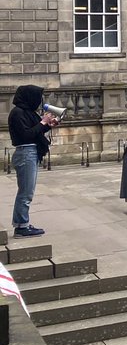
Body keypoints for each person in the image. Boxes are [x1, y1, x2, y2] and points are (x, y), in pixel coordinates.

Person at [8, 85, 57, 238]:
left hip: (29, 151)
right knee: (26, 192)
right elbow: (26, 135)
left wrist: (47, 126)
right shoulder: (17, 113)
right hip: (25, 152)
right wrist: (43, 123)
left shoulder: (27, 112)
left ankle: (23, 224)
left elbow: (35, 131)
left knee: (26, 191)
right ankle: (21, 227)